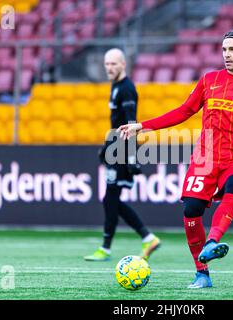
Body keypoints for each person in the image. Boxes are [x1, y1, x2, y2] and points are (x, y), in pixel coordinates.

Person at [118, 28, 233, 288]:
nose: (227, 54)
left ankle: (213, 241)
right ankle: (202, 273)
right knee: (191, 211)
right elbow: (183, 111)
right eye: (223, 49)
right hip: (206, 157)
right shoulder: (210, 80)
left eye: (232, 49)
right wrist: (142, 126)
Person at [84, 48, 161, 262]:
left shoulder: (126, 88)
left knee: (110, 198)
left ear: (123, 65)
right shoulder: (116, 86)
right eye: (107, 64)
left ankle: (112, 246)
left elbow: (130, 123)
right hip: (115, 147)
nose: (109, 68)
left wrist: (131, 157)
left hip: (122, 150)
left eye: (113, 64)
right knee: (111, 199)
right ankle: (146, 238)